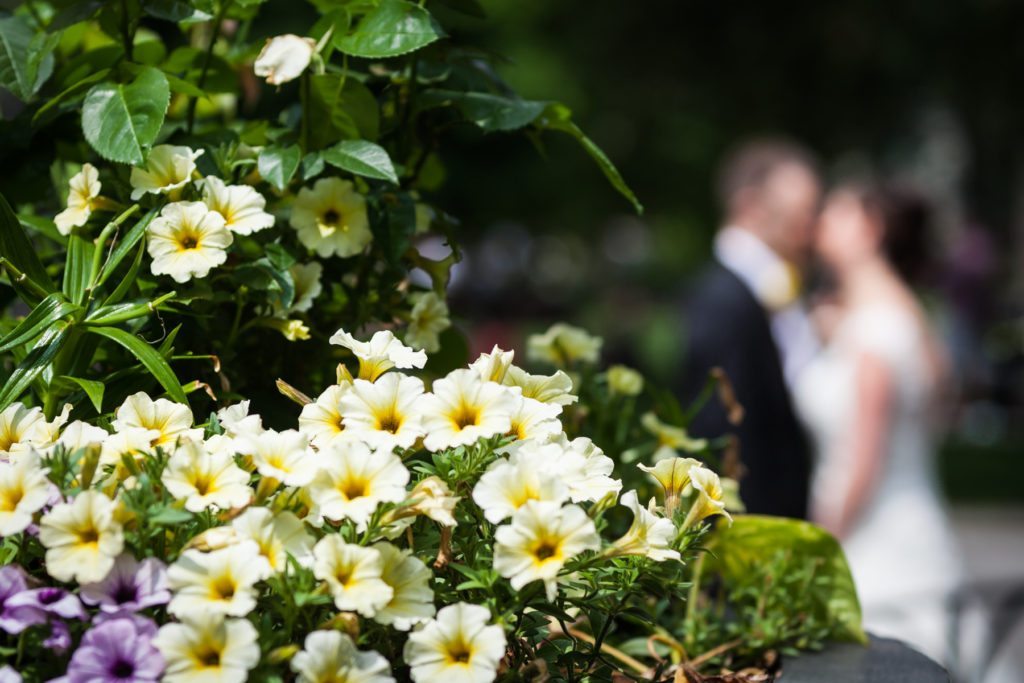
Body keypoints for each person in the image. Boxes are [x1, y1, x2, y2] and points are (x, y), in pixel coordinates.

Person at [793, 182, 960, 662]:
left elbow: (863, 463)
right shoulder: (901, 314)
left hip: (871, 535)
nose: (821, 220)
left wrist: (820, 545)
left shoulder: (875, 329)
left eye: (836, 212)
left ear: (870, 230)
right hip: (909, 512)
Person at [680, 139, 821, 518]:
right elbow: (721, 430)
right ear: (750, 205)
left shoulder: (766, 289)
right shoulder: (723, 300)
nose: (810, 231)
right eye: (797, 216)